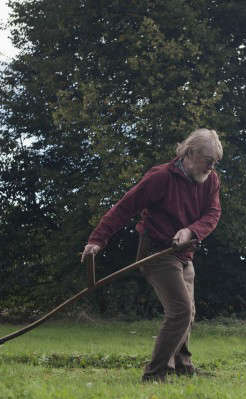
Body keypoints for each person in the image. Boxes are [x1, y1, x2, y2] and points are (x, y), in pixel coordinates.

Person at [81, 128, 222, 383]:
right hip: (156, 251)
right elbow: (125, 207)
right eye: (208, 161)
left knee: (188, 313)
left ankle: (182, 365)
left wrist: (191, 230)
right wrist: (97, 239)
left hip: (185, 252)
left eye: (215, 163)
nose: (211, 167)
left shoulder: (210, 180)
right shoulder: (160, 178)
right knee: (180, 310)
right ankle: (155, 373)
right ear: (189, 153)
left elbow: (212, 214)